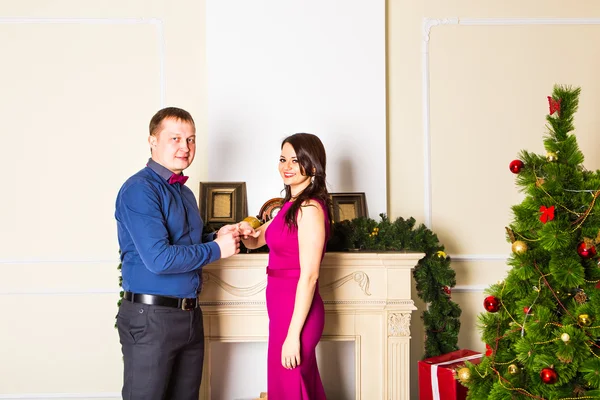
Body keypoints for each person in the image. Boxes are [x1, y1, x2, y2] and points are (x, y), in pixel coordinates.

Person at [114, 107, 240, 400]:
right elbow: (159, 259)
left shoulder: (184, 193)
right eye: (175, 138)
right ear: (153, 141)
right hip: (151, 319)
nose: (185, 147)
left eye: (191, 139)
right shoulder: (139, 189)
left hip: (189, 317)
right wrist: (216, 249)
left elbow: (184, 244)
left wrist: (215, 236)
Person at [239, 133, 331, 399]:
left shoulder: (310, 209)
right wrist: (244, 231)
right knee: (290, 384)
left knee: (292, 385)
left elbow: (310, 276)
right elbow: (257, 241)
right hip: (280, 304)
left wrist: (293, 336)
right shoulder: (289, 206)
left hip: (297, 309)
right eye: (282, 159)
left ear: (312, 167)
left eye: (295, 160)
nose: (286, 166)